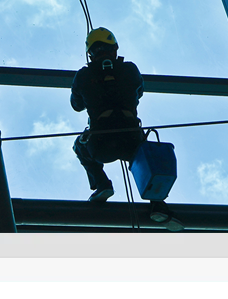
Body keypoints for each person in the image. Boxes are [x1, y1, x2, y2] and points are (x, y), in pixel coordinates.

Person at [71, 27, 183, 230]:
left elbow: (76, 105)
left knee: (80, 147)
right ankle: (157, 204)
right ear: (114, 49)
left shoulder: (83, 75)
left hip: (101, 143)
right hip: (131, 138)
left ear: (91, 53)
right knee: (146, 162)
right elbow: (138, 92)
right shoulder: (130, 69)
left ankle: (102, 185)